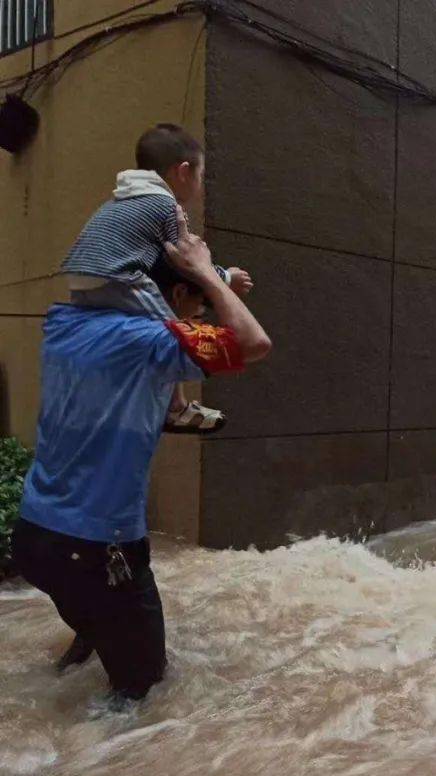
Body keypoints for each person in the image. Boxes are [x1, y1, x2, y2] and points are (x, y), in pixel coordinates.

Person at [12, 208, 271, 703]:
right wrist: (204, 275)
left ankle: (85, 650)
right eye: (196, 309)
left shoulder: (65, 325)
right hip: (97, 549)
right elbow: (252, 343)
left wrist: (210, 279)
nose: (199, 319)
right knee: (144, 694)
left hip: (36, 540)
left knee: (94, 630)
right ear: (174, 298)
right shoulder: (149, 340)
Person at [61, 123, 254, 433]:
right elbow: (184, 259)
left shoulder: (119, 202)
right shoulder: (165, 205)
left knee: (128, 335)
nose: (201, 185)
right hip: (116, 277)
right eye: (201, 177)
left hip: (82, 279)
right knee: (172, 331)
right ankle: (175, 407)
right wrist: (225, 278)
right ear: (183, 171)